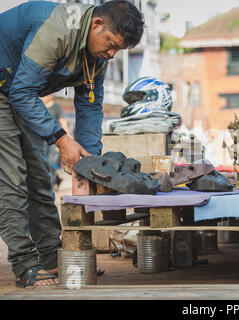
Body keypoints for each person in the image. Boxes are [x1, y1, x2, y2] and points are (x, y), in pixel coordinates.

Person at [0, 1, 144, 288]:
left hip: (18, 92)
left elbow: (90, 109)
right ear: (97, 25)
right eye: (111, 44)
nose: (112, 54)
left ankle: (51, 257)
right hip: (11, 90)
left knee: (40, 176)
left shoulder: (97, 58)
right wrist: (62, 140)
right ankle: (25, 264)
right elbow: (21, 92)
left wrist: (89, 165)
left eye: (119, 50)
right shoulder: (58, 28)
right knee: (13, 178)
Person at [41, 94, 70, 190]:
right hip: (42, 139)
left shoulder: (56, 107)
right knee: (43, 161)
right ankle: (55, 178)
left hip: (55, 140)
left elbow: (63, 122)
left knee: (52, 162)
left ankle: (52, 181)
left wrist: (67, 136)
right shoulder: (40, 106)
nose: (43, 97)